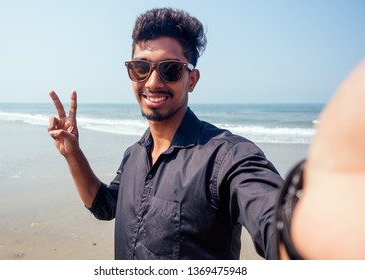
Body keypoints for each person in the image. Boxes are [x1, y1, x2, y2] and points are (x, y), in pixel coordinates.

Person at [48, 7, 283, 260]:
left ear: (191, 80)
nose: (152, 82)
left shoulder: (226, 157)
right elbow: (104, 205)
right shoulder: (134, 154)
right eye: (141, 67)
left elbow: (276, 221)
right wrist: (73, 154)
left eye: (170, 69)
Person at [276, 59, 365, 260]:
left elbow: (263, 207)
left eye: (185, 70)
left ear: (193, 79)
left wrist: (298, 239)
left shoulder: (231, 155)